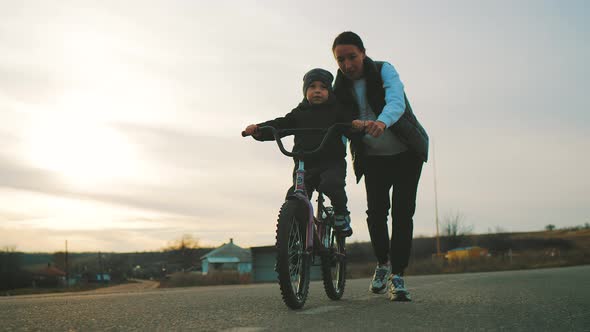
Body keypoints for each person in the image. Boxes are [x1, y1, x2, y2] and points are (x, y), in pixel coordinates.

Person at [332, 31, 429, 301]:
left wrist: (382, 122)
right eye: (341, 60)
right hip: (373, 158)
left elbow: (396, 101)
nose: (348, 65)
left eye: (352, 57)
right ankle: (383, 264)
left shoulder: (384, 70)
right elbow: (336, 123)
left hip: (406, 153)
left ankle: (397, 276)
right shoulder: (337, 88)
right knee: (376, 214)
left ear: (363, 53)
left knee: (402, 212)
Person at [243, 68, 354, 236]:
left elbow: (350, 125)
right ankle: (295, 237)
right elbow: (280, 125)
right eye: (312, 87)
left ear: (329, 91)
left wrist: (358, 126)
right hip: (304, 164)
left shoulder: (337, 111)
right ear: (305, 91)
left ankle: (341, 214)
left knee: (332, 184)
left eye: (323, 87)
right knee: (295, 196)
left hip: (331, 163)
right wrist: (259, 130)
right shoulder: (299, 113)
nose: (317, 90)